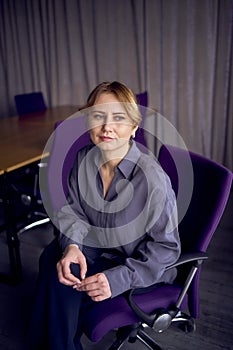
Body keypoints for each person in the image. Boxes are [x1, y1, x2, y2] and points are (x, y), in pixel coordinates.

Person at [27, 81, 180, 350]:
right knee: (59, 257)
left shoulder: (151, 179)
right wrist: (73, 246)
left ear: (134, 127)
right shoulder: (84, 159)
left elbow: (166, 249)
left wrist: (118, 278)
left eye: (118, 118)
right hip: (100, 248)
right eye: (98, 116)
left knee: (61, 277)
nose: (107, 127)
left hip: (138, 266)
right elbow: (72, 211)